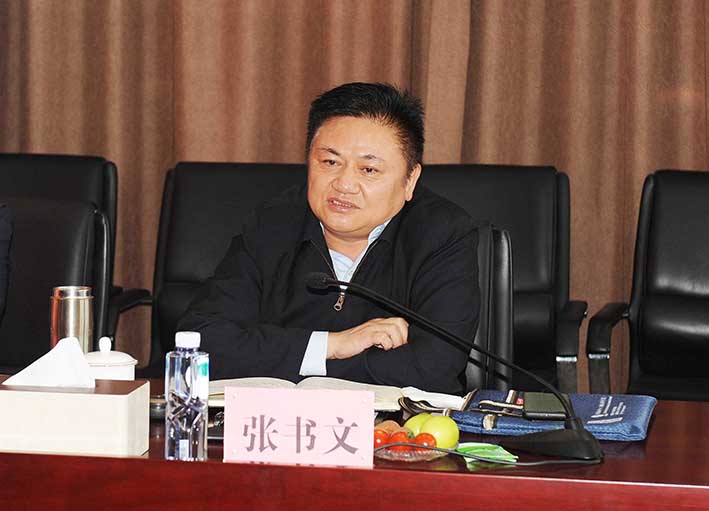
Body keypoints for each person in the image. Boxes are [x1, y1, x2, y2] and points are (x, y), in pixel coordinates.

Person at [178, 82, 479, 394]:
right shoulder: (273, 224)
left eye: (369, 170)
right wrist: (331, 346)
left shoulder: (442, 233)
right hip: (278, 420)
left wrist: (295, 364)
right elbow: (200, 344)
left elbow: (433, 367)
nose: (344, 184)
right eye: (330, 162)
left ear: (409, 179)